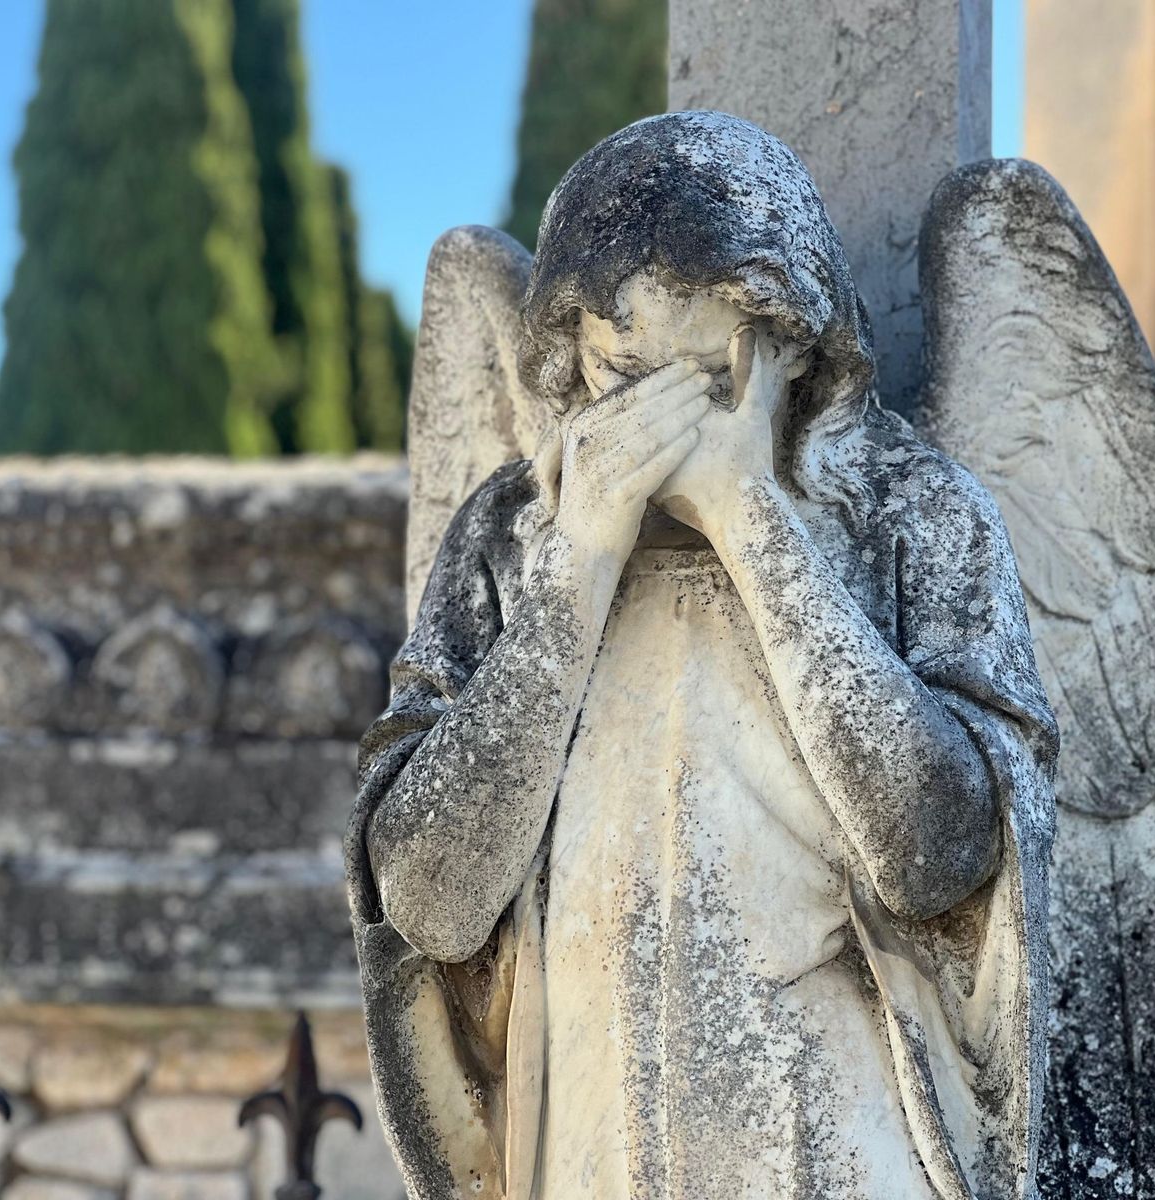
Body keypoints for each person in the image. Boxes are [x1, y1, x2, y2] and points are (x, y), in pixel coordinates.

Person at [347, 112, 1058, 1200]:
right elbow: (429, 901)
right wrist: (581, 560)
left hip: (837, 1135)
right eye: (625, 375)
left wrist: (751, 519)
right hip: (588, 1136)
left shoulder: (909, 516)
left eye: (708, 379)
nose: (663, 423)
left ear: (793, 350)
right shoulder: (510, 534)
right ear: (570, 358)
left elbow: (940, 857)